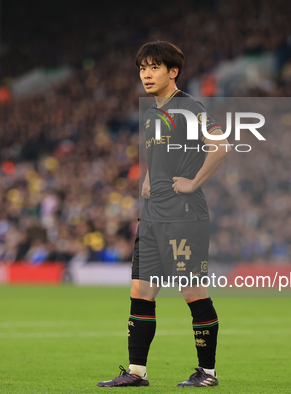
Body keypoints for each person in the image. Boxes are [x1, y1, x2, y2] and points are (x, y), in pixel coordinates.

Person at [98, 41, 229, 387]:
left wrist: (194, 182)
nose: (146, 74)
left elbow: (221, 145)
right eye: (142, 67)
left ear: (173, 72)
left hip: (184, 215)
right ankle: (137, 372)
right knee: (141, 290)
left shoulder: (188, 107)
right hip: (153, 215)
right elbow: (158, 156)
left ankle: (208, 373)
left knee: (192, 292)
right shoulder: (153, 113)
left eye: (154, 67)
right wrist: (146, 178)